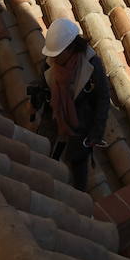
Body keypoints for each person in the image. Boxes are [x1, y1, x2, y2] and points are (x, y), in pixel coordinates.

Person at [39, 17, 110, 191]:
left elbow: (102, 99)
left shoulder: (92, 65)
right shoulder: (50, 64)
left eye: (58, 54)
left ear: (70, 48)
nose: (54, 58)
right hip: (54, 122)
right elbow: (43, 85)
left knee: (78, 167)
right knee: (44, 159)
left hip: (80, 127)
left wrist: (96, 133)